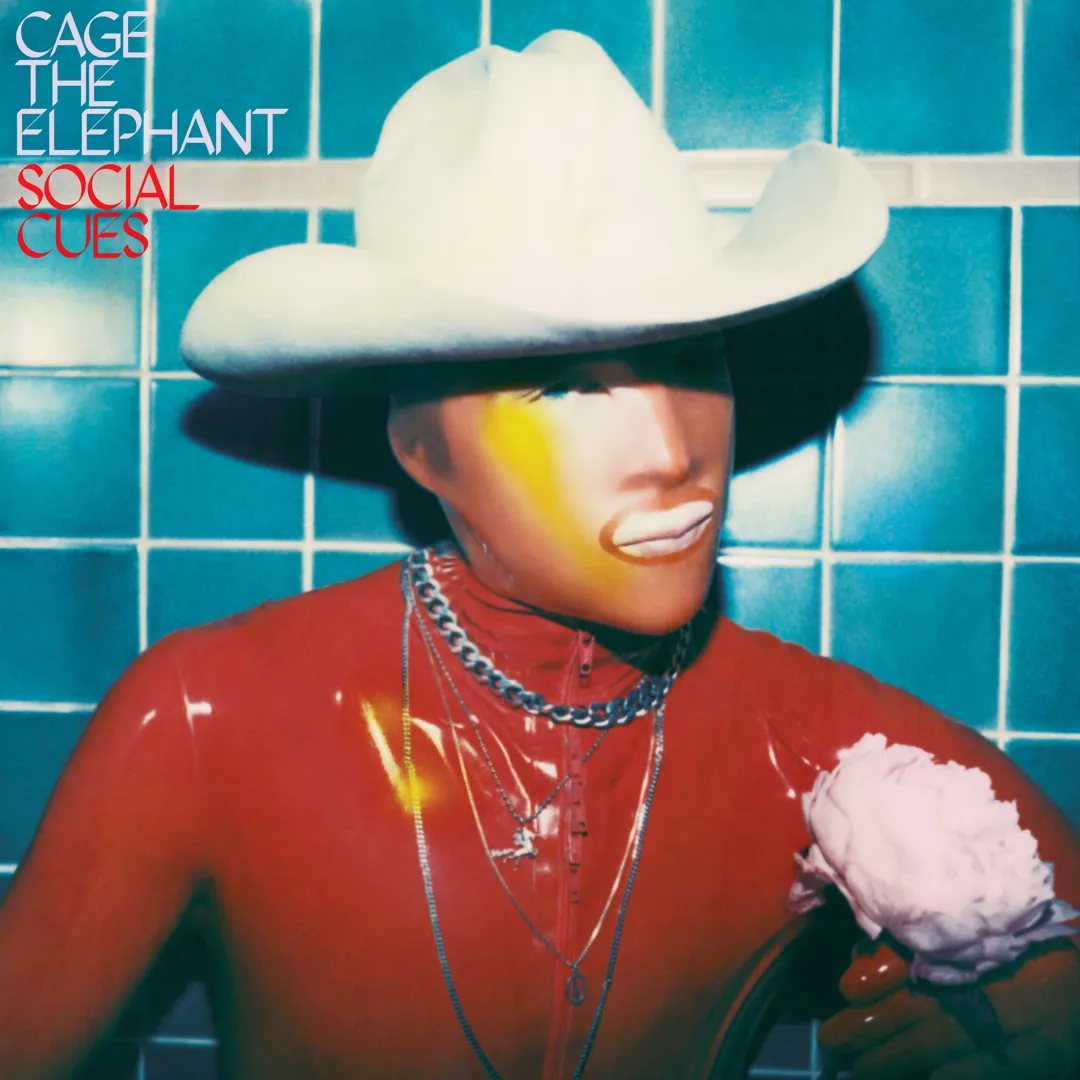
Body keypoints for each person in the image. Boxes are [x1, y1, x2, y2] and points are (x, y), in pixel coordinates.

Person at [1, 31, 1078, 1080]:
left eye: (693, 356)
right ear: (420, 444)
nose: (673, 452)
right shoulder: (209, 722)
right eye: (565, 385)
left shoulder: (816, 749)